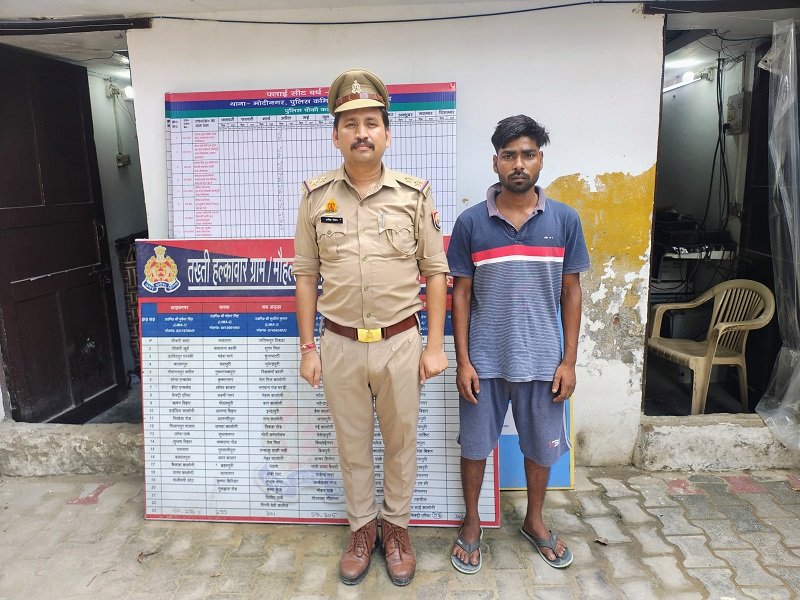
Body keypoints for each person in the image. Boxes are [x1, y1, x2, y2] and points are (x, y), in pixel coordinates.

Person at [293, 68, 449, 587]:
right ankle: (362, 530)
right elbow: (306, 275)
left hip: (400, 342)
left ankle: (397, 529)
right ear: (335, 135)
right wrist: (308, 347)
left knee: (402, 443)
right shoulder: (315, 197)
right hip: (338, 345)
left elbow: (435, 272)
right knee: (352, 445)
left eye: (371, 123)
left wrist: (434, 346)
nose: (361, 133)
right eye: (350, 124)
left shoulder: (413, 195)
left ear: (387, 133)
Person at [446, 115, 590, 574]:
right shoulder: (471, 222)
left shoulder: (564, 220)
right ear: (496, 162)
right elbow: (460, 294)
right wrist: (463, 361)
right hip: (484, 362)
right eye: (509, 155)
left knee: (541, 448)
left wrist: (569, 361)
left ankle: (534, 520)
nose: (518, 164)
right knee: (475, 446)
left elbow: (571, 291)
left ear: (540, 160)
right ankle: (472, 523)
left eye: (528, 154)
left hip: (544, 361)